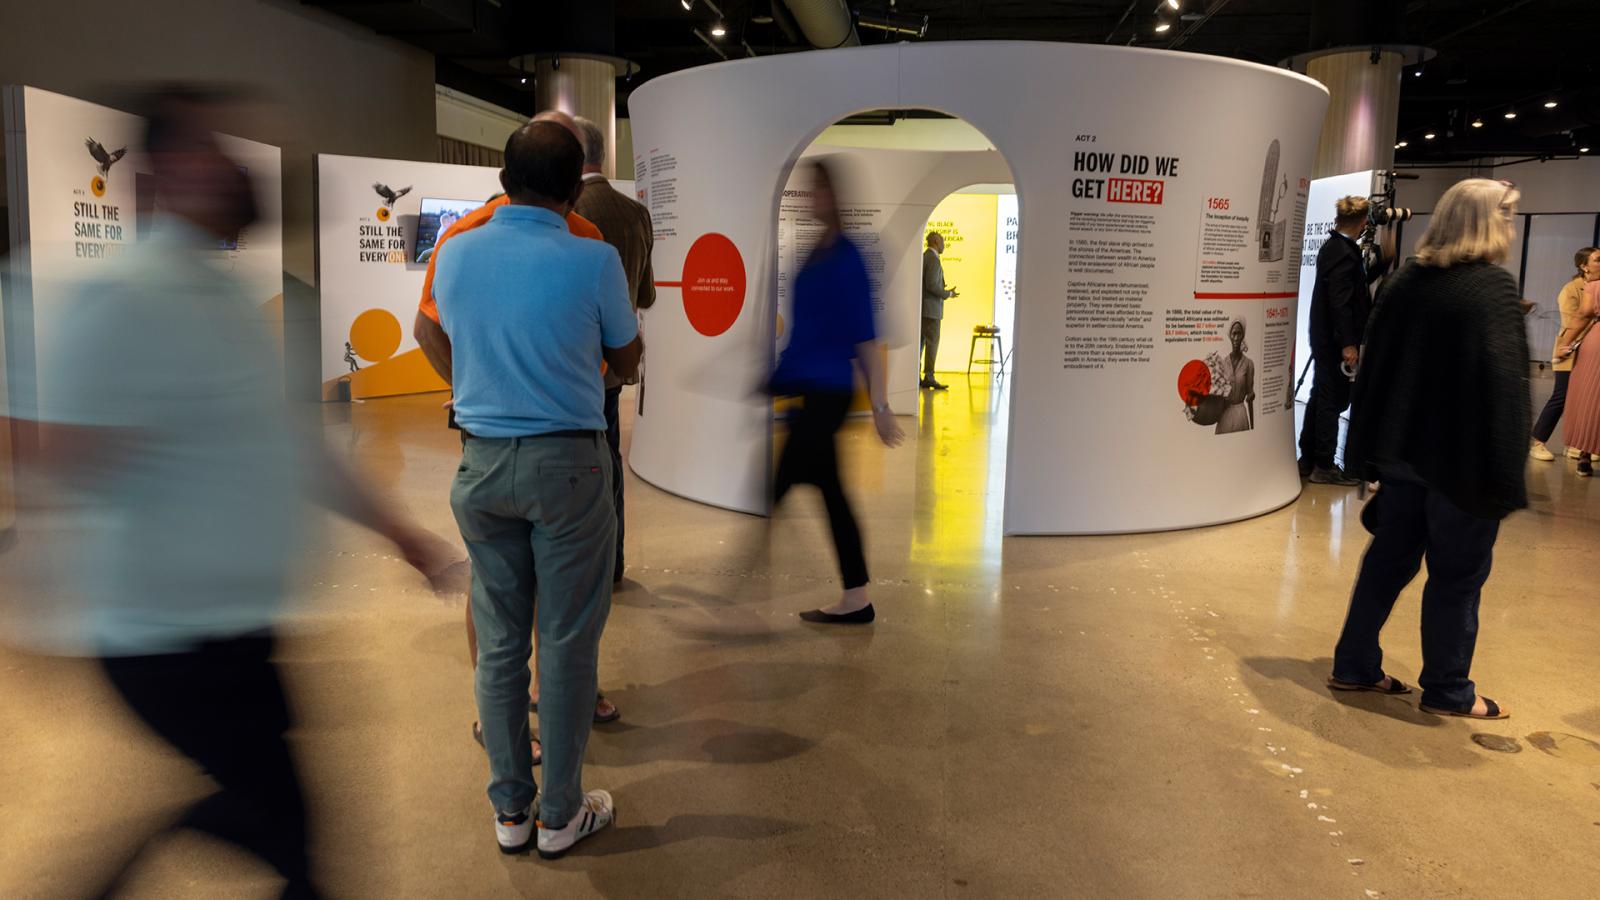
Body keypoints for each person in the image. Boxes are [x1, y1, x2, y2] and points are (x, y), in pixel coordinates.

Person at [5, 89, 458, 897]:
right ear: (168, 168)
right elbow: (51, 452)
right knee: (290, 832)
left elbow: (290, 449)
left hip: (238, 625)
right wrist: (33, 606)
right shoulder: (124, 298)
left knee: (280, 816)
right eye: (213, 151)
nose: (237, 170)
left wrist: (403, 533)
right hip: (164, 638)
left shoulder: (223, 299)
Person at [432, 119, 642, 857]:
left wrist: (474, 388)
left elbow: (433, 334)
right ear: (576, 183)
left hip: (482, 463)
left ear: (502, 180)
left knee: (498, 644)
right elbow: (628, 354)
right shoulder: (594, 258)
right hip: (570, 467)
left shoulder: (454, 253)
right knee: (567, 640)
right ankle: (561, 815)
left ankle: (510, 814)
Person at [1330, 178, 1530, 721]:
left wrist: (1366, 453)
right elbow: (1506, 393)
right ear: (1487, 221)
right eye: (1508, 215)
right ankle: (1447, 688)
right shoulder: (1491, 289)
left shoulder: (1403, 283)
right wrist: (1505, 475)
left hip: (1401, 456)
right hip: (1457, 464)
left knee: (1388, 561)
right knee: (1458, 576)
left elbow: (1376, 374)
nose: (1511, 226)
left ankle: (1353, 666)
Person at [771, 160, 904, 624]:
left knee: (783, 486)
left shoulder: (848, 258)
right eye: (808, 190)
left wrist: (882, 406)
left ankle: (737, 605)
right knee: (828, 491)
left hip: (829, 395)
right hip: (805, 387)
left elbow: (865, 337)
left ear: (835, 196)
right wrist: (775, 379)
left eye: (818, 190)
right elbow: (805, 333)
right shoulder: (812, 255)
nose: (811, 198)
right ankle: (856, 596)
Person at [573, 115, 656, 586]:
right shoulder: (635, 212)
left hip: (568, 367)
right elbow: (644, 297)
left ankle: (577, 569)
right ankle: (614, 564)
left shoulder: (566, 210)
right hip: (613, 366)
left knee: (572, 469)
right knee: (610, 465)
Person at [1299, 196, 1388, 485]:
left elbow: (1352, 287)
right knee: (1332, 400)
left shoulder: (1336, 247)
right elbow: (1340, 301)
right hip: (1335, 341)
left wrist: (1383, 262)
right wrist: (1348, 344)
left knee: (1321, 395)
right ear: (1364, 223)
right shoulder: (1342, 251)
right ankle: (1323, 465)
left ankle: (1309, 457)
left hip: (1327, 338)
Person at [1530, 246, 1600, 461]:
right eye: (1597, 260)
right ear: (1584, 266)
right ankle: (1537, 441)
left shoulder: (1595, 286)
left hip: (1589, 352)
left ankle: (1576, 445)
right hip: (1570, 348)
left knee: (1582, 399)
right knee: (1561, 396)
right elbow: (1572, 320)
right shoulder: (1572, 288)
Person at [1558, 277, 1600, 476]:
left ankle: (1585, 454)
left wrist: (1565, 342)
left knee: (1591, 398)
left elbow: (1584, 314)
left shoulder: (1596, 285)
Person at [920, 230, 959, 390]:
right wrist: (948, 293)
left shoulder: (925, 257)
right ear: (936, 241)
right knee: (932, 343)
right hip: (931, 310)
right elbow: (932, 285)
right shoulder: (933, 259)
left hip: (924, 309)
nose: (944, 245)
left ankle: (918, 376)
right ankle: (929, 376)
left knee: (922, 344)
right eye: (942, 241)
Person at [1215, 318, 1255, 434]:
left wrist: (1253, 428)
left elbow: (1250, 395)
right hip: (1224, 415)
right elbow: (1218, 393)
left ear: (1243, 335)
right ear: (1230, 336)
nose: (1236, 338)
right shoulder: (1222, 363)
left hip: (1240, 414)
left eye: (1239, 333)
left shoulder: (1249, 364)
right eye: (1234, 334)